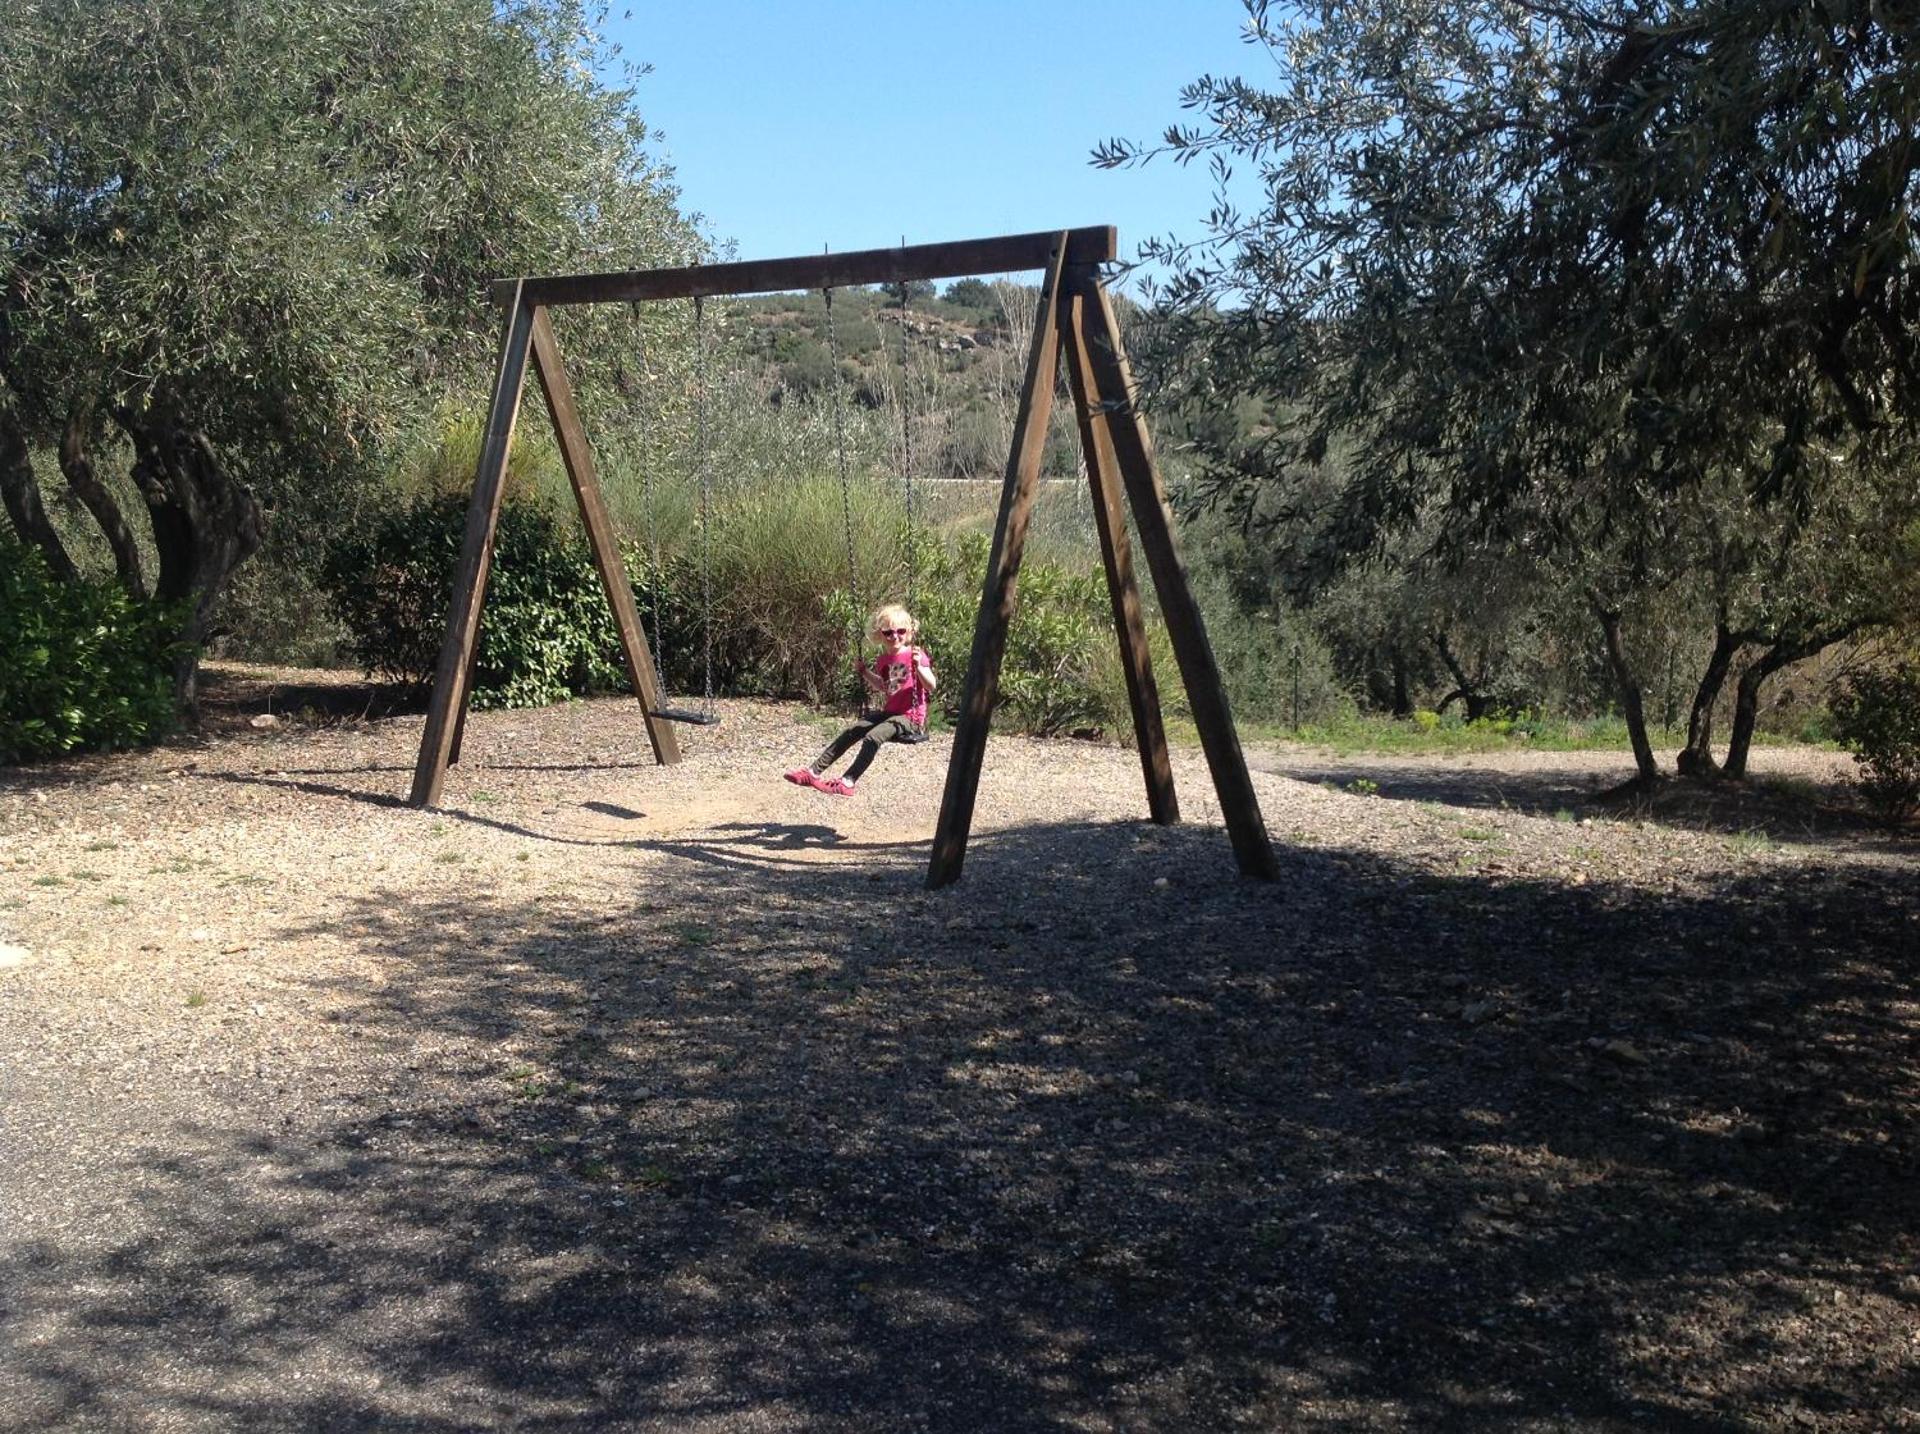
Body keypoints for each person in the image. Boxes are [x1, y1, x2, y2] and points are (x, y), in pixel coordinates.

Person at [785, 604, 936, 796]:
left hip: (910, 718)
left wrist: (920, 668)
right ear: (880, 635)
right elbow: (886, 687)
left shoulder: (915, 654)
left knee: (873, 736)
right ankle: (812, 772)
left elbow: (931, 685)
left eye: (900, 631)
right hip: (890, 713)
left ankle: (848, 781)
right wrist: (864, 672)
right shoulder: (884, 660)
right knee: (852, 731)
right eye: (888, 632)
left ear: (908, 633)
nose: (895, 636)